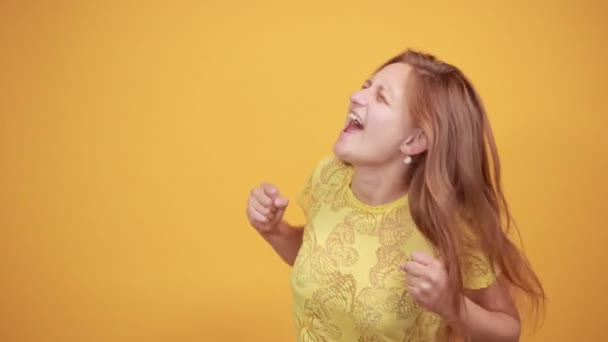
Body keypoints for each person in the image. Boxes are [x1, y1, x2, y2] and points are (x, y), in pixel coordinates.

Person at [246, 48, 545, 341]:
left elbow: (508, 331)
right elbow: (321, 260)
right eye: (366, 85)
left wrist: (453, 306)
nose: (355, 96)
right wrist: (273, 229)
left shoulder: (449, 221)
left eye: (381, 96)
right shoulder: (329, 177)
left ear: (414, 140)